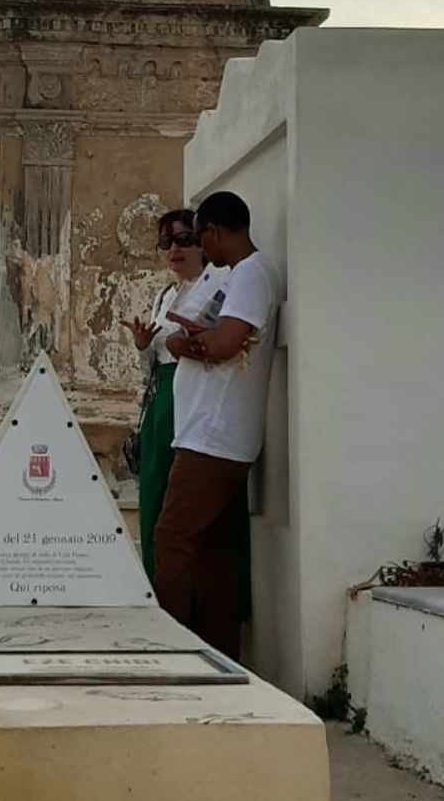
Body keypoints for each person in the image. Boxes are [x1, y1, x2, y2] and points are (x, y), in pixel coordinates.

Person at [154, 190, 279, 661]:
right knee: (213, 553)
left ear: (212, 233)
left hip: (213, 436)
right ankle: (217, 651)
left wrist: (185, 345)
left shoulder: (249, 274)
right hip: (219, 434)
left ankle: (171, 647)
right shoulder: (250, 274)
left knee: (173, 537)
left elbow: (226, 343)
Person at [124, 209, 207, 579]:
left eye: (183, 239)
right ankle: (154, 579)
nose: (174, 248)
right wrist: (143, 345)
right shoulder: (166, 294)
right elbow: (153, 361)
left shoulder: (212, 285)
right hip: (160, 397)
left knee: (180, 496)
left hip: (189, 395)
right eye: (165, 241)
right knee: (153, 490)